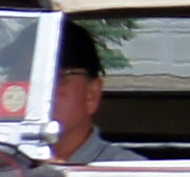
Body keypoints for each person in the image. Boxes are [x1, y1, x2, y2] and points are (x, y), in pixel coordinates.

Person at [51, 27, 143, 163]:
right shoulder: (8, 171)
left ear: (91, 94)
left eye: (57, 78)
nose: (33, 94)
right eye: (22, 78)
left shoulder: (132, 174)